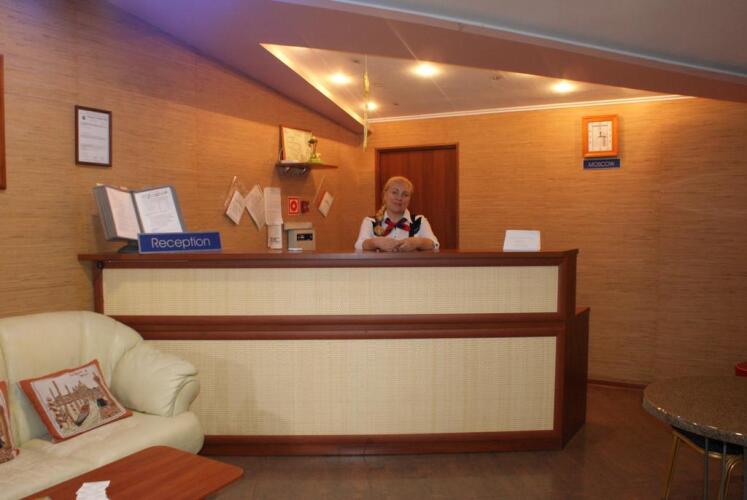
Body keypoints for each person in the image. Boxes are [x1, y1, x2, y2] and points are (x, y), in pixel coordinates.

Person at [354, 176, 439, 251]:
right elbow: (359, 245)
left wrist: (417, 242)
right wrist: (376, 242)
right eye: (394, 192)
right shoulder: (370, 221)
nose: (399, 198)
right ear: (385, 195)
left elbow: (435, 245)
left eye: (405, 194)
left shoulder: (419, 221)